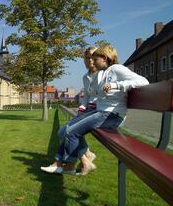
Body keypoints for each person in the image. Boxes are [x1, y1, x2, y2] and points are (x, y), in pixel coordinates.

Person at [41, 44, 149, 175]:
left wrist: (116, 85)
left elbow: (143, 81)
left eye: (95, 59)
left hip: (111, 115)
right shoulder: (103, 73)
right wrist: (84, 107)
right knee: (67, 129)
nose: (92, 62)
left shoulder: (117, 69)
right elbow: (91, 95)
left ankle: (68, 165)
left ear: (104, 58)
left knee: (71, 132)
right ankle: (67, 164)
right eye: (89, 59)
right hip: (101, 112)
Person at [57, 47, 99, 173]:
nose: (90, 60)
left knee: (69, 132)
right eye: (87, 57)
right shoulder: (86, 77)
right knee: (61, 131)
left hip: (98, 111)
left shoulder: (103, 74)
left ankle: (78, 161)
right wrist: (81, 107)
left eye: (93, 57)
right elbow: (86, 96)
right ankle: (86, 154)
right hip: (88, 110)